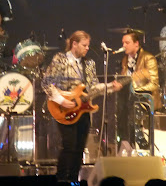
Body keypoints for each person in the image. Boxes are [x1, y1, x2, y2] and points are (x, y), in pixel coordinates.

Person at [42, 30, 122, 183]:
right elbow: (47, 83)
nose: (87, 48)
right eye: (84, 45)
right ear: (74, 44)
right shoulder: (60, 59)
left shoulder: (89, 63)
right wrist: (61, 100)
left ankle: (74, 180)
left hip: (82, 110)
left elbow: (92, 87)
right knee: (69, 145)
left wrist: (111, 87)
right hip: (63, 108)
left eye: (88, 45)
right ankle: (61, 179)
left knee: (79, 147)